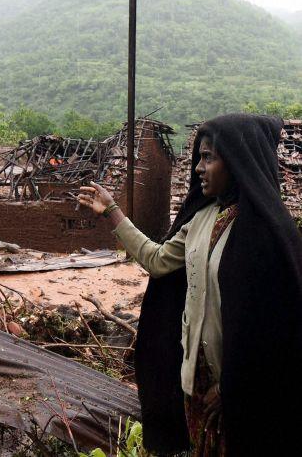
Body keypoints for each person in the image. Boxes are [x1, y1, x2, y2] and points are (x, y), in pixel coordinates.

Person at [78, 114, 302, 456]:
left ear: (238, 162)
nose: (198, 167)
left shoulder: (269, 235)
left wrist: (231, 387)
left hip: (244, 395)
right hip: (194, 384)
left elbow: (276, 330)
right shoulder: (200, 220)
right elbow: (156, 260)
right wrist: (112, 212)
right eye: (199, 156)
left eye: (209, 157)